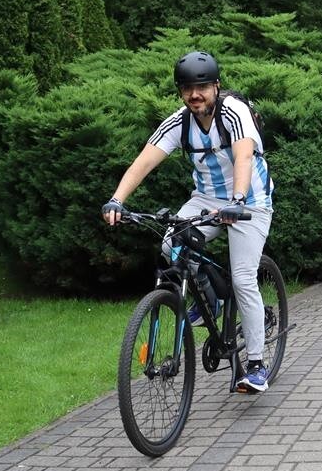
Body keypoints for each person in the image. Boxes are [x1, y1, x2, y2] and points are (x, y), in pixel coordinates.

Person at [102, 51, 276, 393]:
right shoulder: (179, 122)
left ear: (216, 86)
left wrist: (238, 200)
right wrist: (117, 200)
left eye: (202, 87)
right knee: (171, 244)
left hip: (250, 200)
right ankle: (209, 300)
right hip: (206, 200)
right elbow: (144, 161)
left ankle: (255, 365)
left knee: (242, 279)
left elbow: (243, 154)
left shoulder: (234, 113)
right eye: (187, 89)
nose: (194, 95)